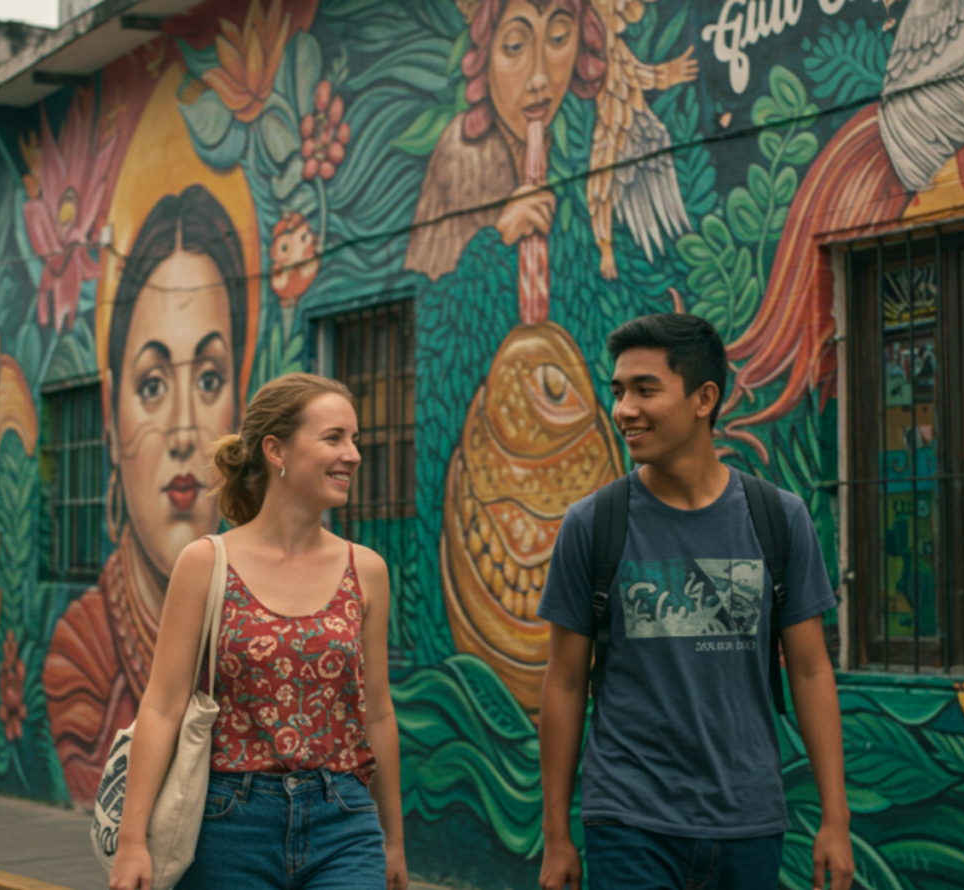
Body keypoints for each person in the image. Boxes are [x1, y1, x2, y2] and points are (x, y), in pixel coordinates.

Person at [536, 314, 854, 890]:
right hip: (629, 817)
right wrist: (556, 834)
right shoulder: (592, 525)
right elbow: (562, 682)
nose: (624, 409)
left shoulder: (778, 519)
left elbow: (809, 671)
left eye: (645, 390)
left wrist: (836, 819)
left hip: (749, 817)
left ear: (704, 398)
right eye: (618, 391)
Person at [109, 373, 408, 890]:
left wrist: (393, 840)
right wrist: (133, 840)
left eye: (354, 439)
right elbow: (161, 706)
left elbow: (377, 710)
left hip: (344, 818)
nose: (354, 454)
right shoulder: (206, 563)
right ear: (276, 450)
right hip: (228, 825)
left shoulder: (368, 571)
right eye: (334, 437)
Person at [44, 183, 251, 806]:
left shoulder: (262, 604)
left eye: (210, 377)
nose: (186, 432)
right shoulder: (83, 663)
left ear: (240, 399)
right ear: (111, 414)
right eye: (153, 384)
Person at [403, 0, 606, 280]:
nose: (538, 79)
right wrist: (500, 238)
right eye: (514, 46)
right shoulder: (464, 153)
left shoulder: (591, 136)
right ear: (485, 58)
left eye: (558, 38)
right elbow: (432, 303)